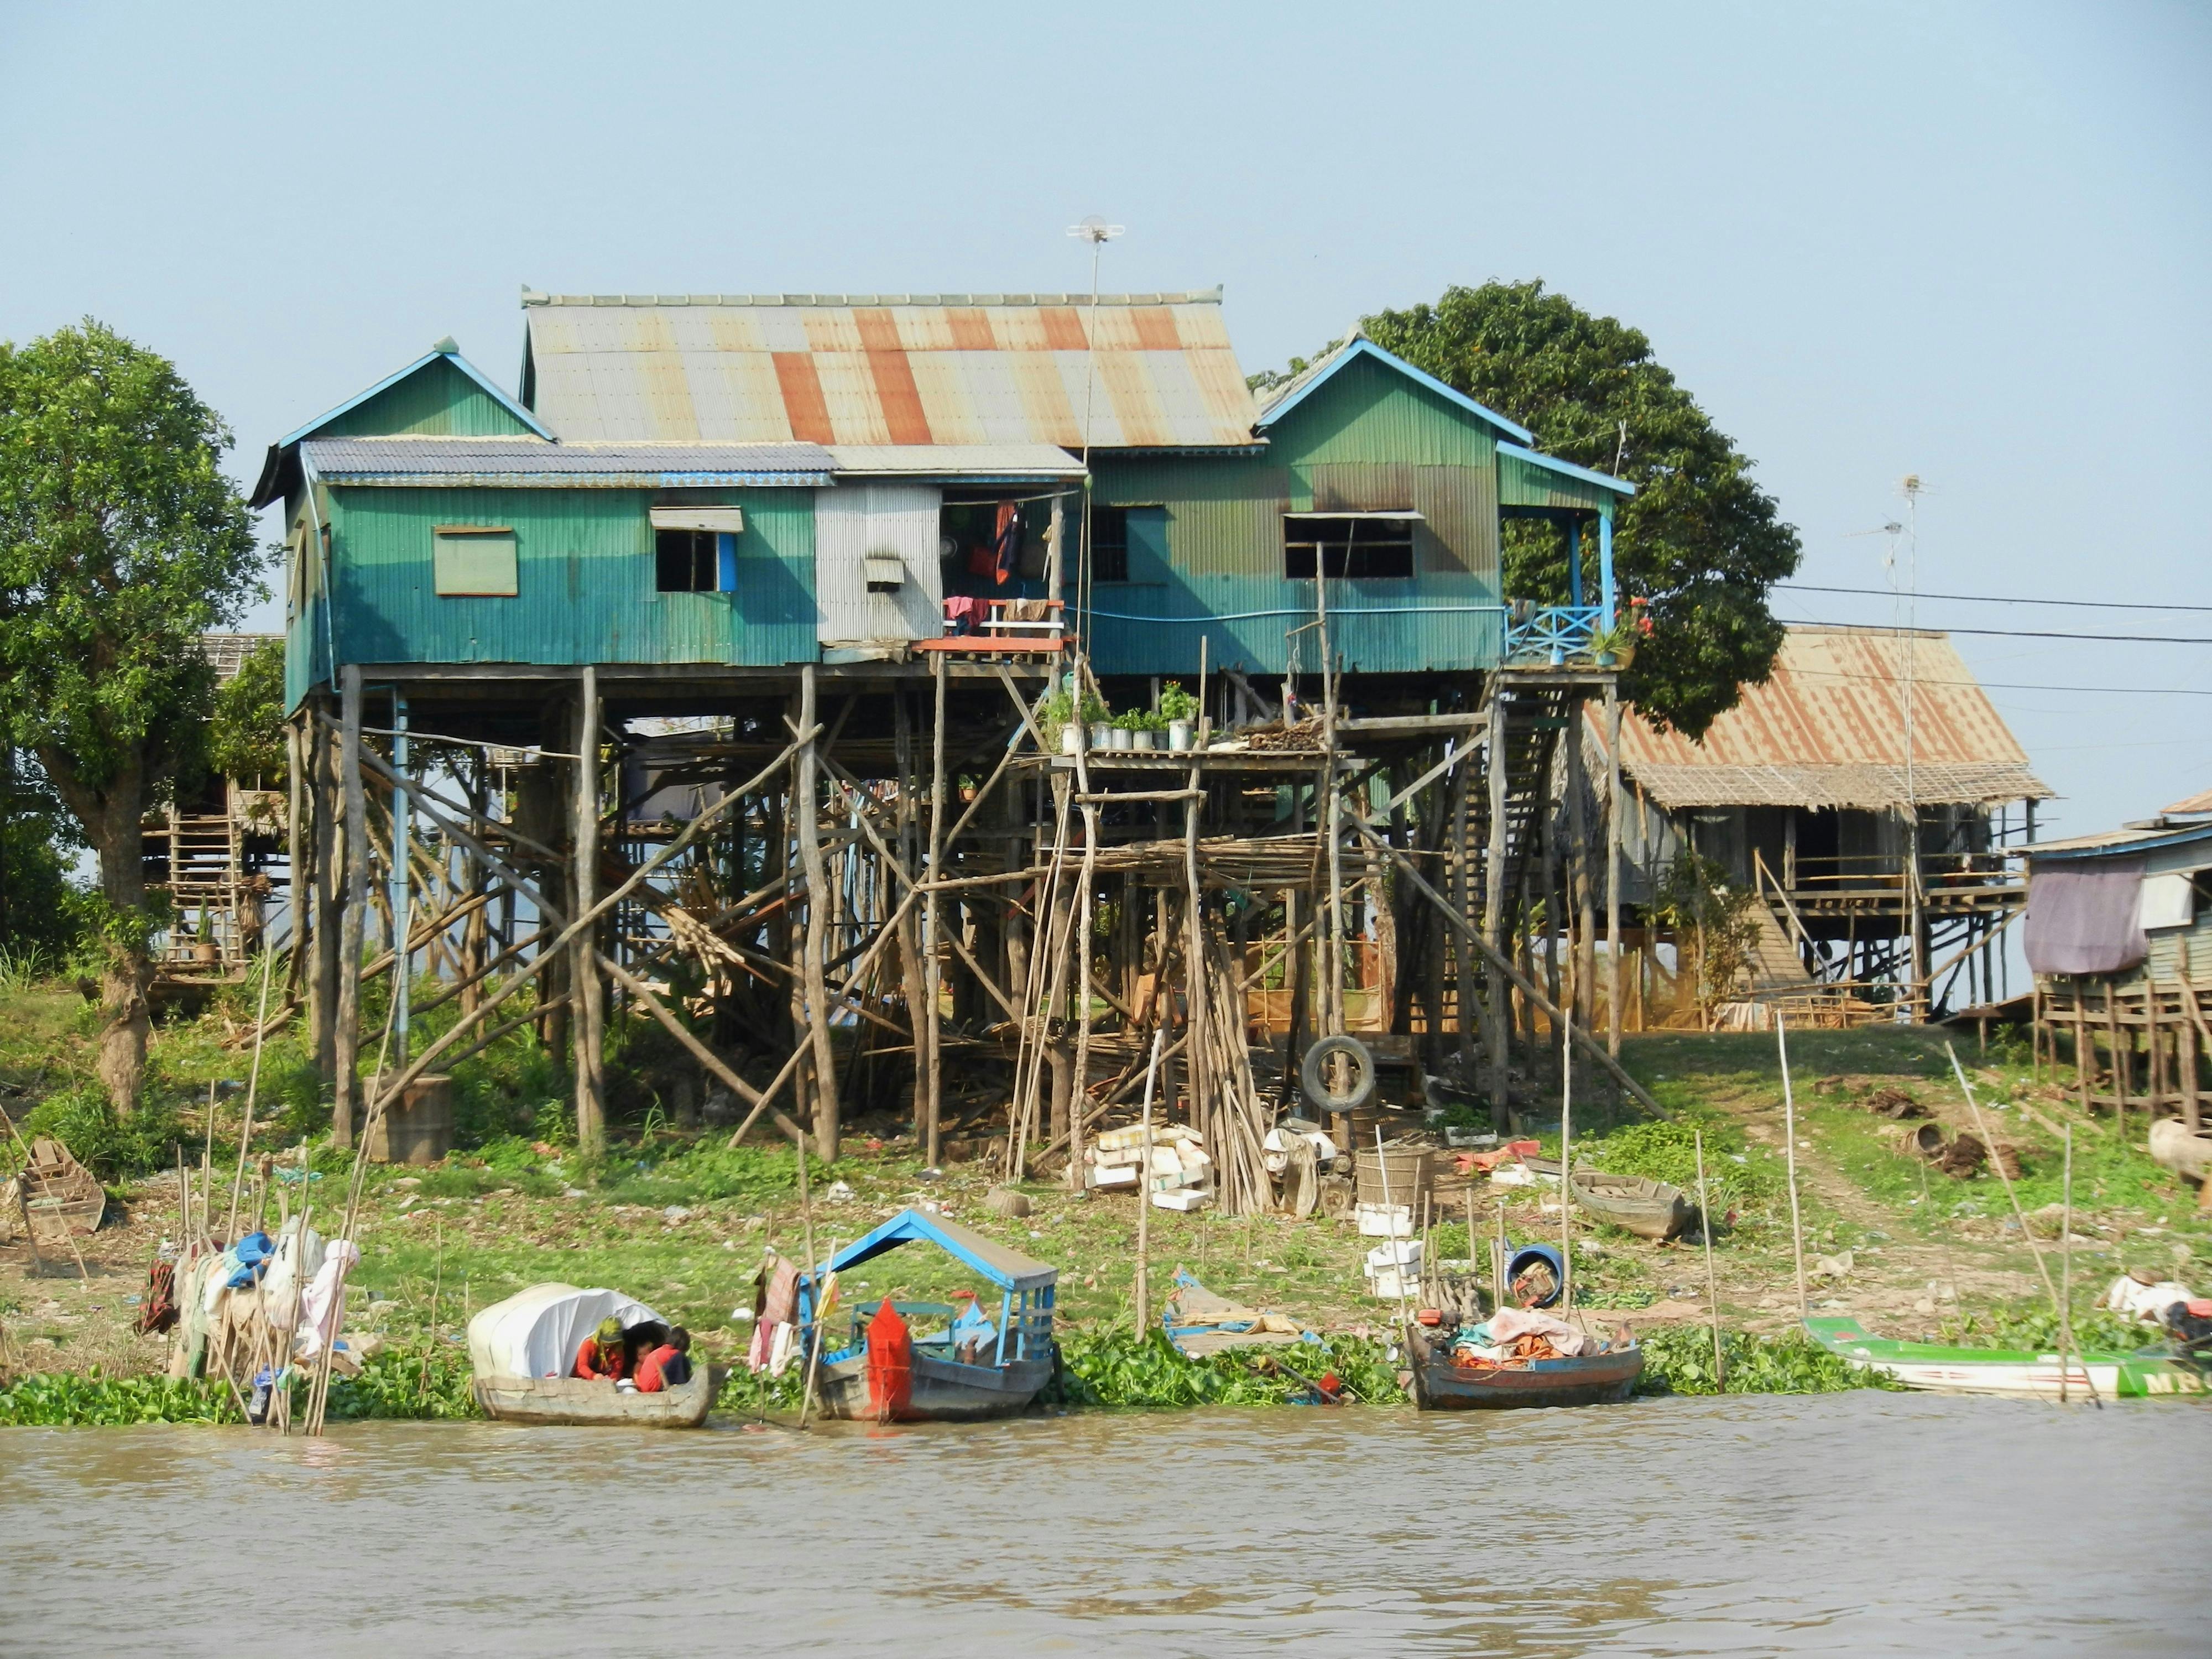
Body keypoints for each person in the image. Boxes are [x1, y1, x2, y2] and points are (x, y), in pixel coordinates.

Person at [635, 1327, 692, 1393]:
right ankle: (684, 1388)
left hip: (646, 1387)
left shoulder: (660, 1351)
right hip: (653, 1386)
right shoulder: (676, 1353)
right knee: (680, 1357)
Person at [572, 1316, 629, 1382]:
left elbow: (617, 1369)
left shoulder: (618, 1348)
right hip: (581, 1380)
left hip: (603, 1380)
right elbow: (582, 1367)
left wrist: (613, 1378)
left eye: (613, 1341)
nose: (610, 1344)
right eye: (607, 1341)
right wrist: (593, 1376)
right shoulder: (588, 1345)